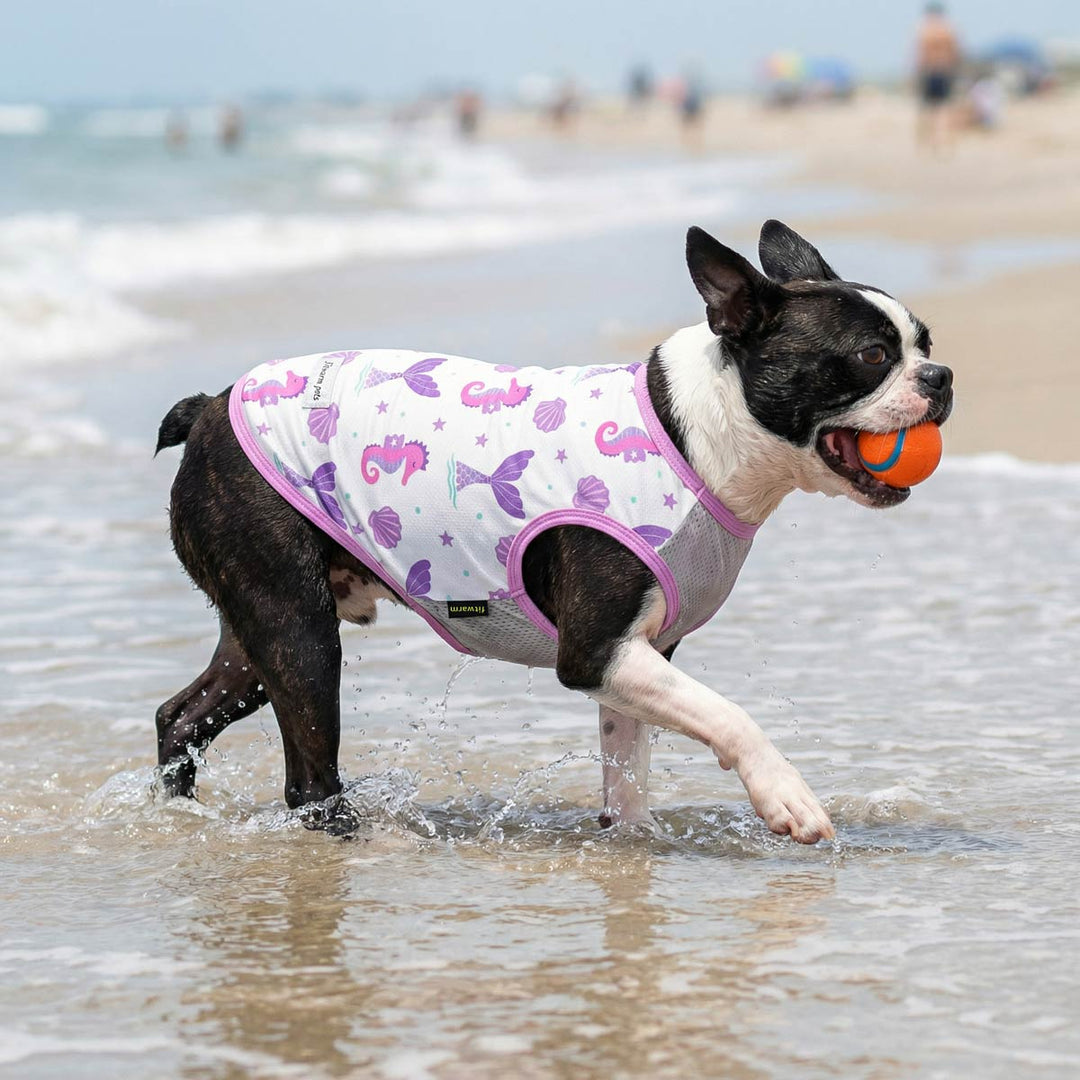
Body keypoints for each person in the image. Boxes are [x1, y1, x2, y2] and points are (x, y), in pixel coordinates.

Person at [915, 2, 962, 152]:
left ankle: (928, 142)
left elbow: (919, 55)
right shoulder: (948, 30)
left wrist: (916, 74)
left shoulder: (924, 30)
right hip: (944, 70)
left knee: (928, 108)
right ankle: (945, 141)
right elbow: (956, 52)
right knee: (945, 107)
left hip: (930, 71)